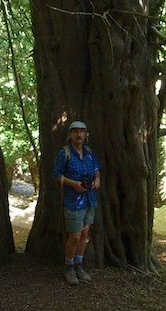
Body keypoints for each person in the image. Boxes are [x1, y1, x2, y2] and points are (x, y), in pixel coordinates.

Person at [54, 120, 101, 285]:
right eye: (75, 131)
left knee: (84, 235)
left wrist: (97, 180)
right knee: (74, 236)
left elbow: (96, 169)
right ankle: (69, 267)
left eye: (82, 131)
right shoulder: (64, 153)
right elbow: (57, 175)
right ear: (70, 135)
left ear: (86, 135)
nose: (79, 134)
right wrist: (73, 183)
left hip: (89, 199)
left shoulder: (89, 152)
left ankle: (79, 265)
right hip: (73, 201)